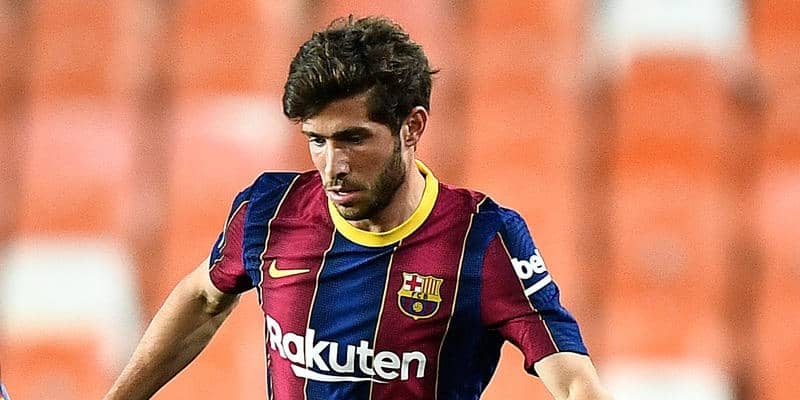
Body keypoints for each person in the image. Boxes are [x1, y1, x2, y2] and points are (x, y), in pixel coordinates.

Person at [103, 16, 612, 400]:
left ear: (412, 126)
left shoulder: (482, 238)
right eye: (316, 140)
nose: (333, 166)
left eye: (353, 139)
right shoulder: (269, 212)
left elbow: (572, 379)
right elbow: (203, 297)